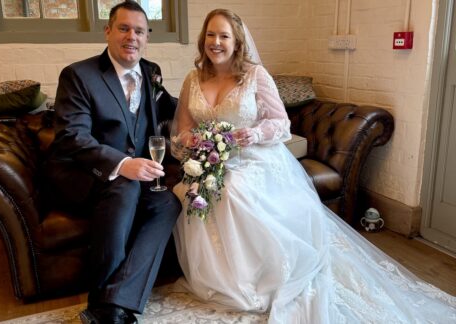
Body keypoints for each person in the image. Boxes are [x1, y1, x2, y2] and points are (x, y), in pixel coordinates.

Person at [170, 8, 456, 324]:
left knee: (233, 189)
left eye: (224, 35)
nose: (216, 42)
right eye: (211, 35)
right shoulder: (193, 78)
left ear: (237, 42)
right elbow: (182, 128)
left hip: (252, 158)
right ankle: (217, 279)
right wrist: (191, 140)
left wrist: (252, 133)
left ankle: (257, 279)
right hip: (209, 160)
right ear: (203, 39)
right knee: (195, 190)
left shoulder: (254, 75)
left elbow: (280, 123)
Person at [44, 1, 181, 323]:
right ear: (108, 31)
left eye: (139, 31)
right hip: (80, 172)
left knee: (167, 203)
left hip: (131, 175)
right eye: (123, 28)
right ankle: (102, 301)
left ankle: (115, 300)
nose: (131, 37)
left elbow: (170, 109)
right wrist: (122, 164)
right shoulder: (79, 75)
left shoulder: (151, 72)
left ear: (147, 37)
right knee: (125, 188)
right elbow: (71, 137)